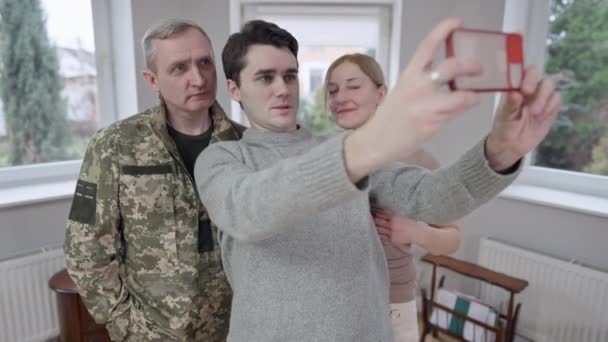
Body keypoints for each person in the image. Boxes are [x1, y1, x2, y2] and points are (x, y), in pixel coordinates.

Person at [194, 18, 560, 342]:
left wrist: (499, 151)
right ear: (235, 89)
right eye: (265, 77)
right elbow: (249, 209)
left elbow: (433, 197)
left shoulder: (345, 147)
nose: (282, 88)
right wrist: (367, 145)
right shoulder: (222, 159)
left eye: (290, 75)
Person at [64, 19, 244, 341]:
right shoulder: (114, 146)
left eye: (205, 62)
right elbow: (84, 249)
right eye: (179, 68)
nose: (198, 78)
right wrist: (124, 325)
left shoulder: (243, 145)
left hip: (233, 328)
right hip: (152, 332)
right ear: (152, 79)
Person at [326, 52, 461, 342]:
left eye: (353, 85)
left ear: (381, 93)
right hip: (336, 299)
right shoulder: (326, 158)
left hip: (391, 302)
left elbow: (453, 238)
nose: (341, 96)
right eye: (333, 89)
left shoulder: (415, 158)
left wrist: (414, 231)